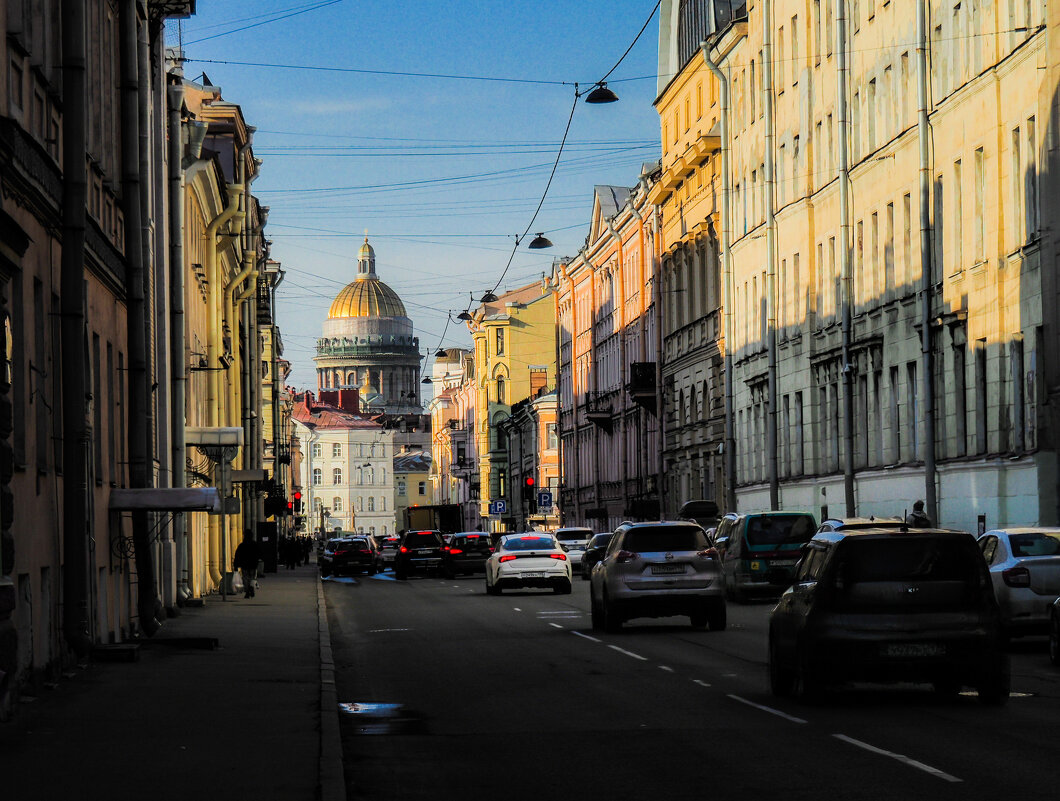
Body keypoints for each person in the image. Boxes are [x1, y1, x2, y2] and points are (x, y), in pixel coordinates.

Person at [233, 530, 261, 599]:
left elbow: (237, 555)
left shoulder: (242, 545)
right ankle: (251, 587)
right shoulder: (254, 544)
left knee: (245, 578)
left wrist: (236, 565)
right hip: (253, 564)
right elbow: (258, 554)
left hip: (244, 565)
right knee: (252, 577)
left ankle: (247, 591)